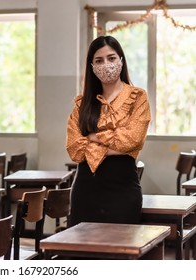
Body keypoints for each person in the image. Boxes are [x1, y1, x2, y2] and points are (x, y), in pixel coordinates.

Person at [66, 35, 151, 227]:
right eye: (99, 60)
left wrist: (93, 137)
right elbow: (74, 149)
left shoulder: (138, 97)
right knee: (81, 253)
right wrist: (116, 142)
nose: (106, 64)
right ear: (92, 66)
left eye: (111, 58)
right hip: (85, 189)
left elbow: (134, 140)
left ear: (121, 60)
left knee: (120, 252)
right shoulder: (82, 103)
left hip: (123, 190)